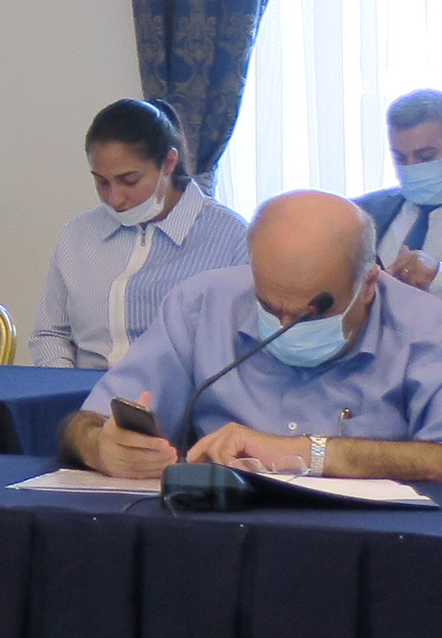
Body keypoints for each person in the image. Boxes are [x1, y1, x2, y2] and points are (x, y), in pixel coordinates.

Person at [64, 189, 442, 481]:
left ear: (369, 283)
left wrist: (310, 453)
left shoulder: (426, 328)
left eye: (311, 314)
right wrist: (101, 447)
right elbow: (83, 424)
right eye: (269, 306)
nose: (284, 326)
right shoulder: (201, 305)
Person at [30, 98, 247, 370]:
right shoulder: (77, 235)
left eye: (129, 180)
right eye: (101, 182)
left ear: (169, 162)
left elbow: (244, 348)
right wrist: (65, 385)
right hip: (82, 393)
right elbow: (50, 333)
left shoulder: (232, 238)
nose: (115, 198)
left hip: (181, 394)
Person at [353, 88, 442, 290]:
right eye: (399, 158)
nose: (410, 167)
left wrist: (438, 274)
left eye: (425, 157)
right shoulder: (364, 211)